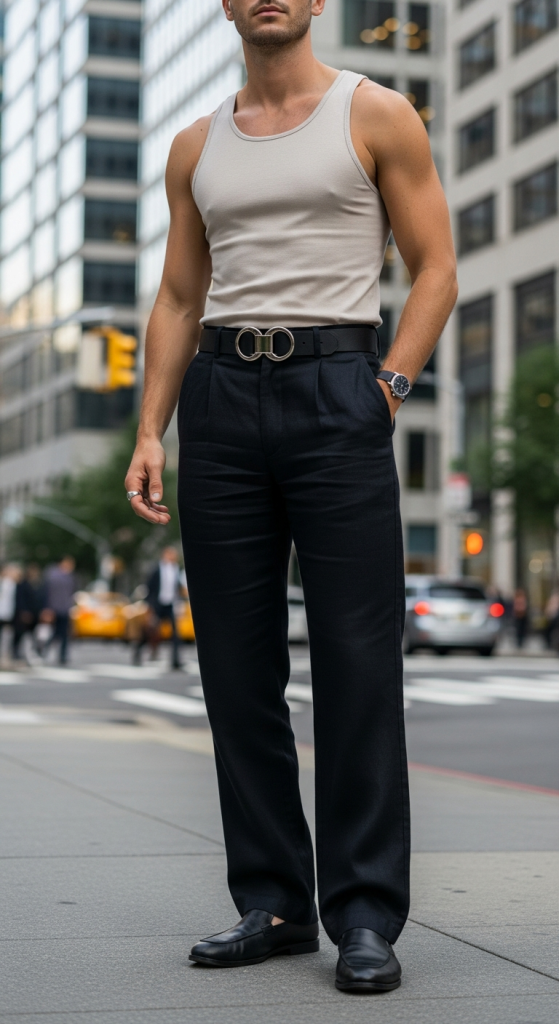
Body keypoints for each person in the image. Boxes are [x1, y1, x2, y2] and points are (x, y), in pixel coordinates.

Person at [124, 0, 457, 994]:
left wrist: (386, 388)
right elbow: (180, 295)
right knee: (234, 666)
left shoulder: (377, 113)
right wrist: (151, 425)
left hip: (336, 385)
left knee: (357, 662)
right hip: (220, 402)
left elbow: (435, 266)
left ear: (315, 3)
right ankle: (269, 900)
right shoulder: (195, 145)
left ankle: (361, 911)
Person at [136, 546, 183, 668]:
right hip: (157, 605)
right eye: (170, 554)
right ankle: (138, 651)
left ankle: (175, 661)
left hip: (170, 605)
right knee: (150, 632)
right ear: (164, 555)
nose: (173, 557)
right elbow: (149, 588)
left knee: (175, 634)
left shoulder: (176, 569)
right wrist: (150, 606)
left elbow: (178, 588)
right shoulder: (156, 569)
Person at [43, 556, 77, 665]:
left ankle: (62, 656)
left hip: (65, 609)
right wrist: (47, 608)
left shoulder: (70, 577)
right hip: (53, 609)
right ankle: (43, 650)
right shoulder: (52, 575)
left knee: (64, 634)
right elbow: (46, 593)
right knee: (54, 633)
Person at [13, 564, 45, 662]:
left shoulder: (39, 584)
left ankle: (33, 652)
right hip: (24, 614)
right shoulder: (22, 584)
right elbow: (20, 599)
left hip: (35, 613)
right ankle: (16, 652)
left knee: (35, 635)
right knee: (20, 634)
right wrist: (24, 611)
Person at [0, 564, 21, 665]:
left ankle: (5, 656)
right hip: (5, 613)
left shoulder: (12, 584)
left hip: (8, 613)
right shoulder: (6, 583)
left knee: (7, 635)